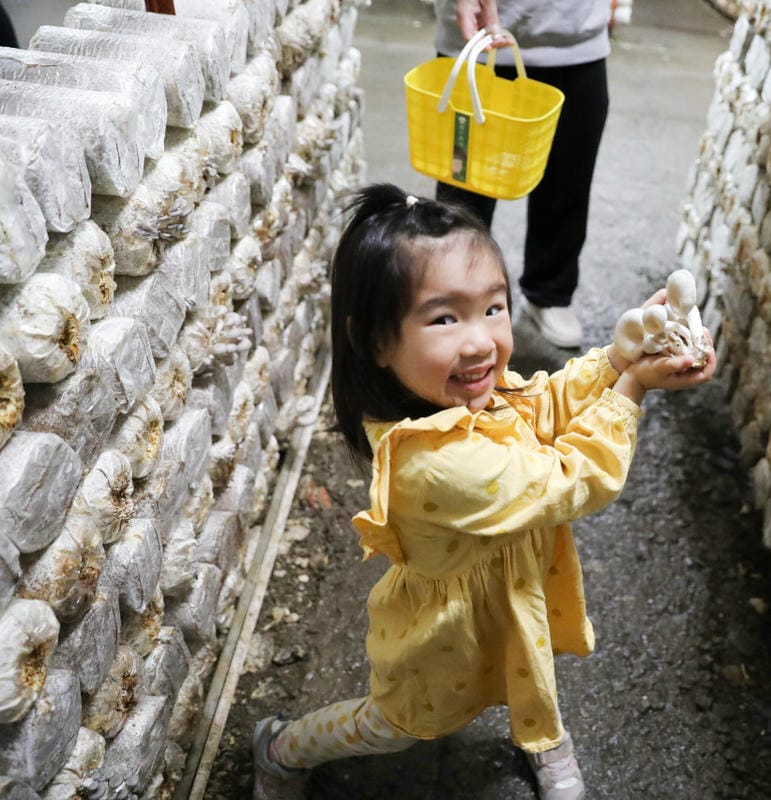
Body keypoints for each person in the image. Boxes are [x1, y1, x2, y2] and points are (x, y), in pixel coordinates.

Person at [251, 184, 716, 800]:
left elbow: (542, 404)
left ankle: (545, 741)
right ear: (375, 341)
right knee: (398, 723)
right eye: (444, 317)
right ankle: (283, 746)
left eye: (493, 308)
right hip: (445, 627)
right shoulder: (435, 463)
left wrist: (615, 360)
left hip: (509, 586)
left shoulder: (460, 395)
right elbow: (567, 478)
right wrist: (631, 391)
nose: (479, 341)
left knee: (532, 663)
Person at [431, 0, 613, 350]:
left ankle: (550, 291)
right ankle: (456, 296)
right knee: (465, 194)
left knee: (568, 177)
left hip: (576, 38)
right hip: (476, 38)